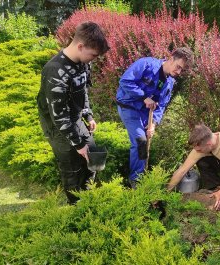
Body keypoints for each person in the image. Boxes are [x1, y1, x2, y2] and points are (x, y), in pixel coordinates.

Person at [37, 22, 110, 204]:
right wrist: (78, 145)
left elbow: (82, 90)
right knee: (72, 169)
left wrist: (88, 115)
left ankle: (89, 196)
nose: (93, 59)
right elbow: (59, 117)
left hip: (75, 119)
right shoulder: (55, 71)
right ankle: (75, 206)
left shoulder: (82, 63)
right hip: (58, 127)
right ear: (80, 46)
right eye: (92, 55)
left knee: (92, 158)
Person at [116, 47, 194, 188]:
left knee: (146, 140)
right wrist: (144, 97)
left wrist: (153, 124)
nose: (178, 72)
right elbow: (125, 81)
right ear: (171, 58)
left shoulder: (169, 83)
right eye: (178, 67)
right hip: (128, 106)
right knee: (140, 140)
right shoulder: (146, 64)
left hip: (146, 112)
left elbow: (161, 105)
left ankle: (142, 173)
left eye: (181, 70)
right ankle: (136, 181)